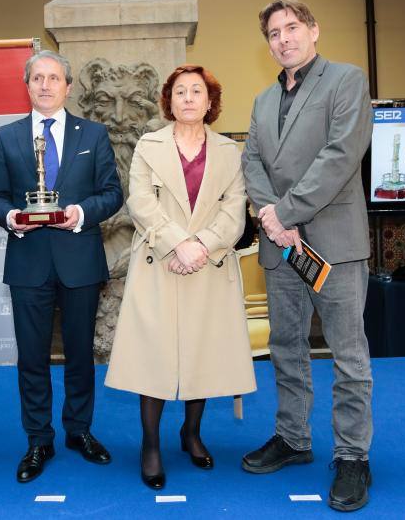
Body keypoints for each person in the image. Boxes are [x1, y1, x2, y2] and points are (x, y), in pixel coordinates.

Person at [240, 0, 374, 512]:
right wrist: (270, 215)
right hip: (281, 248)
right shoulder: (261, 100)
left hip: (333, 244)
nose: (283, 39)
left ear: (313, 30)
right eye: (273, 33)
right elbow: (251, 158)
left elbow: (341, 154)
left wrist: (286, 212)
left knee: (349, 356)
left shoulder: (346, 80)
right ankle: (293, 439)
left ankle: (352, 456)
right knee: (286, 348)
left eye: (292, 28)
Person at [105, 65, 257, 490]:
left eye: (197, 92)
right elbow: (140, 203)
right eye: (180, 92)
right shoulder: (148, 146)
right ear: (168, 102)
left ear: (211, 103)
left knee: (201, 352)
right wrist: (179, 244)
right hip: (160, 262)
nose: (188, 98)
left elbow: (234, 209)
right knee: (151, 355)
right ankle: (150, 444)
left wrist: (201, 247)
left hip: (209, 265)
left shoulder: (229, 151)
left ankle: (191, 434)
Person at [0, 50, 123, 483]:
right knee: (32, 358)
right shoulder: (6, 136)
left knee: (82, 354)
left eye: (54, 78)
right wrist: (11, 218)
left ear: (68, 86)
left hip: (80, 260)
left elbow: (112, 193)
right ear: (27, 86)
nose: (45, 85)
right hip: (28, 262)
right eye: (37, 78)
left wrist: (80, 214)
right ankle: (38, 439)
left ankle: (79, 432)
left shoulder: (95, 134)